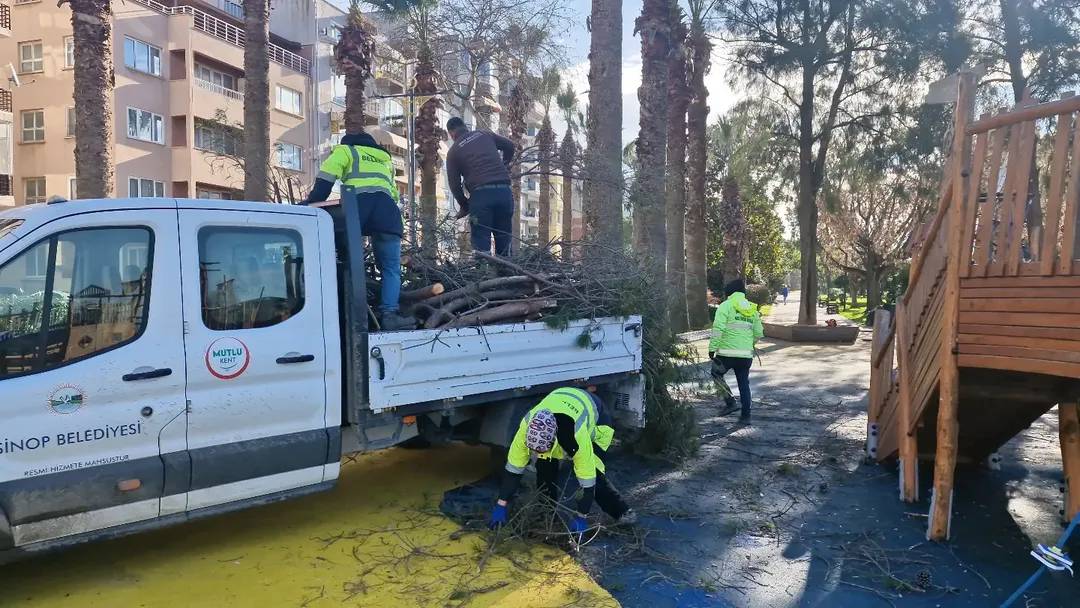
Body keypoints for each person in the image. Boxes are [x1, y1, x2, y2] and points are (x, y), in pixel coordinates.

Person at [303, 131, 415, 330]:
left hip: (357, 209)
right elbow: (394, 194)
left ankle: (348, 313)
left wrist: (310, 203)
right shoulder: (385, 160)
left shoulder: (346, 151)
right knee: (390, 268)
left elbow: (326, 179)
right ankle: (389, 315)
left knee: (347, 262)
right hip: (387, 213)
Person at [489, 387, 636, 535]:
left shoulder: (576, 438)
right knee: (544, 468)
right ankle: (547, 512)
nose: (535, 454)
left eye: (539, 450)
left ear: (554, 440)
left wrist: (581, 516)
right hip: (561, 399)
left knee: (595, 475)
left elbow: (588, 481)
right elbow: (513, 471)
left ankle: (622, 512)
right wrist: (501, 504)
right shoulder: (526, 429)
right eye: (533, 450)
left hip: (595, 414)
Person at [445, 117, 516, 256]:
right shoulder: (484, 134)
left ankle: (483, 269)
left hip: (481, 196)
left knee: (481, 242)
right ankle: (506, 268)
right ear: (465, 127)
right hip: (504, 192)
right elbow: (510, 146)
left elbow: (454, 185)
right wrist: (505, 165)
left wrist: (464, 205)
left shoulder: (453, 151)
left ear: (451, 134)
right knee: (504, 239)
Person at [708, 280, 764, 424]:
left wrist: (712, 349)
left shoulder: (725, 306)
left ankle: (730, 402)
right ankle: (746, 416)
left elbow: (718, 329)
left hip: (726, 354)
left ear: (729, 292)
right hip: (745, 356)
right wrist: (749, 344)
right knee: (743, 383)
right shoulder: (752, 309)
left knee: (716, 373)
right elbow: (759, 332)